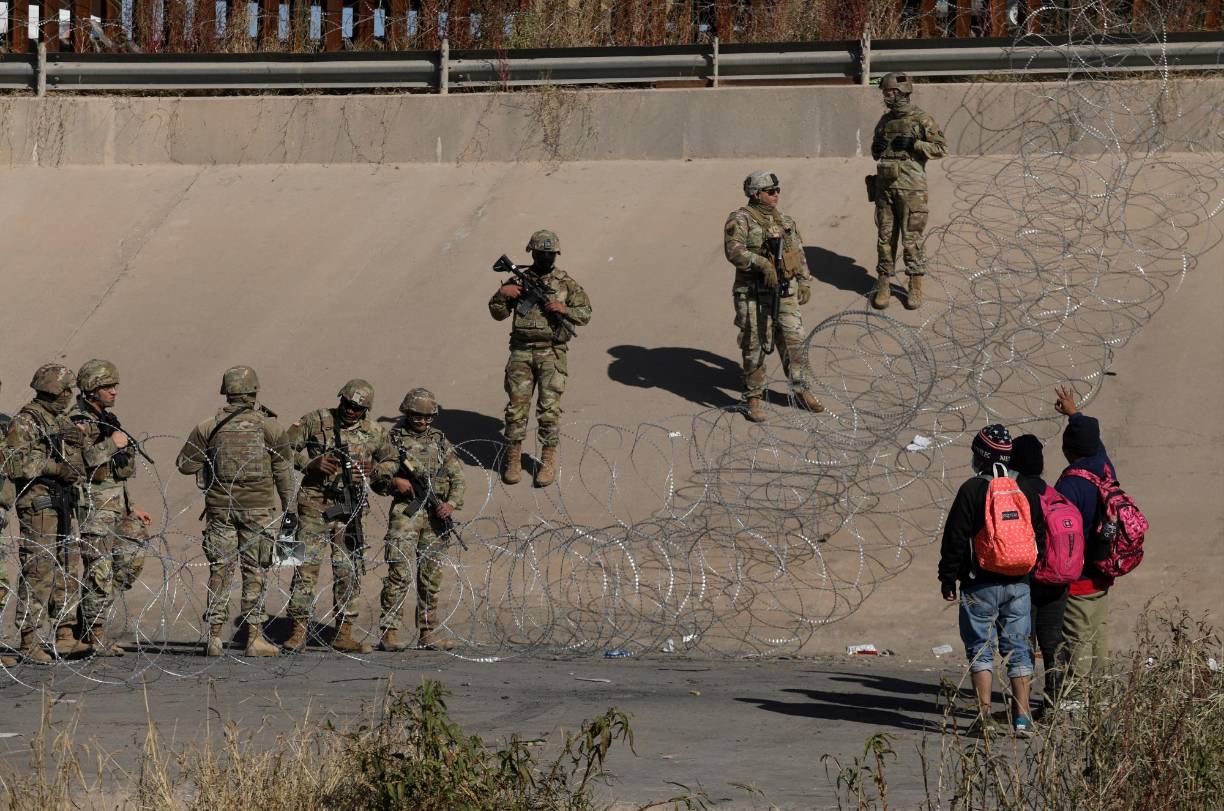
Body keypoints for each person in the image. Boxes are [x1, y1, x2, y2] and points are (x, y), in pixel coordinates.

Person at [175, 366, 294, 658]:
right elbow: (283, 470)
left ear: (226, 391)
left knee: (221, 570)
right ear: (254, 391)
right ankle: (254, 638)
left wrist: (211, 460)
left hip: (221, 509)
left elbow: (185, 465)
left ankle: (215, 637)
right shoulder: (270, 427)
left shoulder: (208, 427)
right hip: (258, 510)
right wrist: (289, 508)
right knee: (255, 572)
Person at [938, 425, 1045, 736]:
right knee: (1019, 648)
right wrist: (1027, 569)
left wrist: (948, 578)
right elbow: (1038, 534)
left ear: (980, 456)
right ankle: (1022, 719)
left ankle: (984, 719)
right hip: (1019, 583)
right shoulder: (1024, 487)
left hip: (979, 583)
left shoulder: (972, 489)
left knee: (980, 649)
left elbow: (955, 539)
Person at [283, 379, 397, 654]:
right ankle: (298, 631)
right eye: (347, 404)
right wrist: (310, 464)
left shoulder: (375, 432)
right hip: (314, 504)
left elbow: (392, 460)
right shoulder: (315, 420)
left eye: (357, 408)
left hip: (352, 508)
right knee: (305, 568)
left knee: (348, 570)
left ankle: (343, 632)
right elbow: (282, 448)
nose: (350, 410)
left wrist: (375, 470)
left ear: (366, 410)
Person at [488, 230, 592, 487]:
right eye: (540, 253)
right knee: (516, 409)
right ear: (532, 253)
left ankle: (547, 461)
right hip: (521, 352)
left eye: (549, 254)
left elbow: (585, 313)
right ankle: (513, 459)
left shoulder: (566, 283)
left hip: (552, 353)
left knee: (549, 410)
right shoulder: (518, 280)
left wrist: (563, 309)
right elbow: (498, 314)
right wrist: (503, 294)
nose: (545, 257)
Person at [68, 359, 154, 657]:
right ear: (92, 389)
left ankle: (92, 617)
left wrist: (131, 505)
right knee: (99, 571)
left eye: (115, 386)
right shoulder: (79, 421)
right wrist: (113, 444)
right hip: (94, 506)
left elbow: (115, 473)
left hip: (117, 504)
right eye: (107, 386)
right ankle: (94, 633)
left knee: (130, 561)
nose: (114, 391)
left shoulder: (106, 419)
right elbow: (81, 462)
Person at [3, 364, 88, 663]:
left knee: (67, 568)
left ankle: (64, 633)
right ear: (55, 391)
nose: (69, 395)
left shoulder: (59, 420)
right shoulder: (27, 421)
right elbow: (15, 463)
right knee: (39, 570)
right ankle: (29, 640)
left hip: (62, 502)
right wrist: (55, 468)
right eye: (65, 390)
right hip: (39, 504)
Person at [723, 171, 823, 423]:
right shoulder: (741, 219)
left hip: (785, 291)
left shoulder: (784, 220)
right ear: (756, 194)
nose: (776, 194)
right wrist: (762, 264)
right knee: (754, 344)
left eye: (777, 190)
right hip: (753, 293)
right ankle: (753, 398)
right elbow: (734, 251)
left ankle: (801, 389)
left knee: (795, 340)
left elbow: (797, 251)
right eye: (770, 191)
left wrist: (804, 280)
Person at [375, 388, 465, 652]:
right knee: (398, 573)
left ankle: (427, 632)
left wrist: (450, 504)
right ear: (407, 413)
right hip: (407, 513)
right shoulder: (392, 440)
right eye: (417, 416)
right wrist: (395, 481)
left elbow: (457, 477)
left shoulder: (439, 440)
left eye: (428, 417)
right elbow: (377, 477)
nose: (423, 421)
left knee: (430, 577)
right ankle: (389, 632)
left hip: (435, 516)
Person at [1053, 385, 1115, 701]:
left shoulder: (1070, 485)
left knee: (1076, 638)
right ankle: (1100, 696)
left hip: (1079, 577)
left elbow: (1062, 534)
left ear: (1068, 452)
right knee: (1098, 634)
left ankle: (1077, 697)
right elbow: (1093, 441)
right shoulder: (1103, 467)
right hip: (1104, 571)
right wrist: (1074, 413)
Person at [869, 72, 947, 310]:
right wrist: (876, 148)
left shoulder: (922, 119)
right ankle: (884, 282)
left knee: (911, 238)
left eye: (889, 92)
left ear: (901, 92)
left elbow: (941, 148)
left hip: (912, 189)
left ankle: (915, 283)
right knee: (885, 238)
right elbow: (876, 152)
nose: (886, 96)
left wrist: (915, 144)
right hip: (885, 189)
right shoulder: (884, 121)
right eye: (885, 92)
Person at [1011, 433, 1069, 708]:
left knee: (1024, 642)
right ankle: (1053, 702)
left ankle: (1021, 707)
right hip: (1057, 578)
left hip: (1027, 577)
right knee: (1053, 640)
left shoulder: (1015, 493)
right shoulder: (1054, 494)